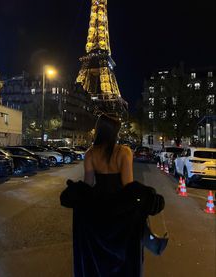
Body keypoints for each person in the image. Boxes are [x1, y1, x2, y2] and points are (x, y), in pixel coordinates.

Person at [60, 113, 165, 277]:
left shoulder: (90, 153)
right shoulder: (124, 152)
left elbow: (88, 184)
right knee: (126, 260)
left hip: (98, 209)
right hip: (121, 211)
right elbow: (128, 185)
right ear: (113, 133)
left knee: (96, 258)